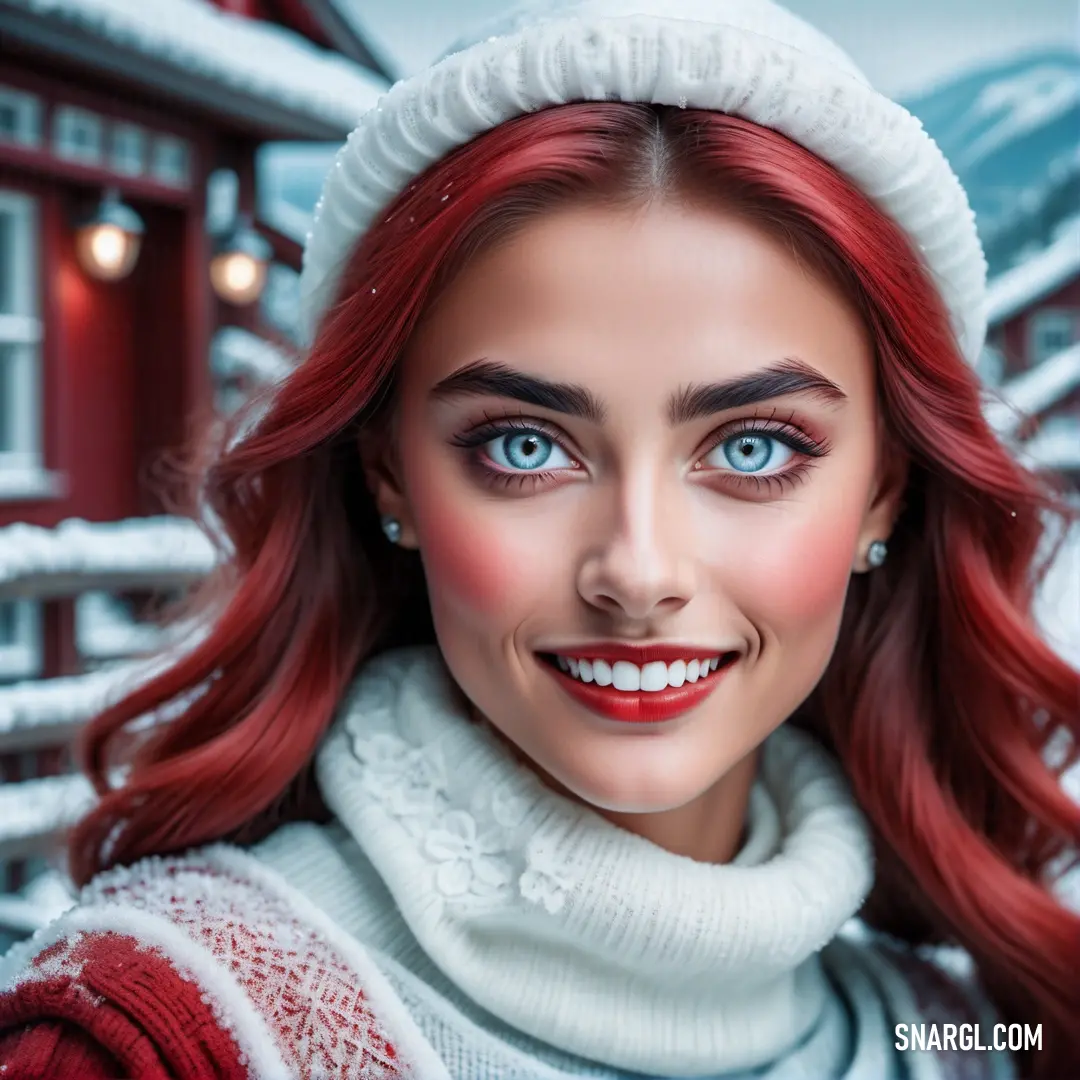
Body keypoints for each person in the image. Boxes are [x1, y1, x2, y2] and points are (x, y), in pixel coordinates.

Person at [2, 1, 1078, 1077]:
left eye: (751, 450)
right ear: (391, 473)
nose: (639, 572)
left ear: (885, 493)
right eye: (524, 447)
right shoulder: (142, 1040)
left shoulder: (966, 1033)